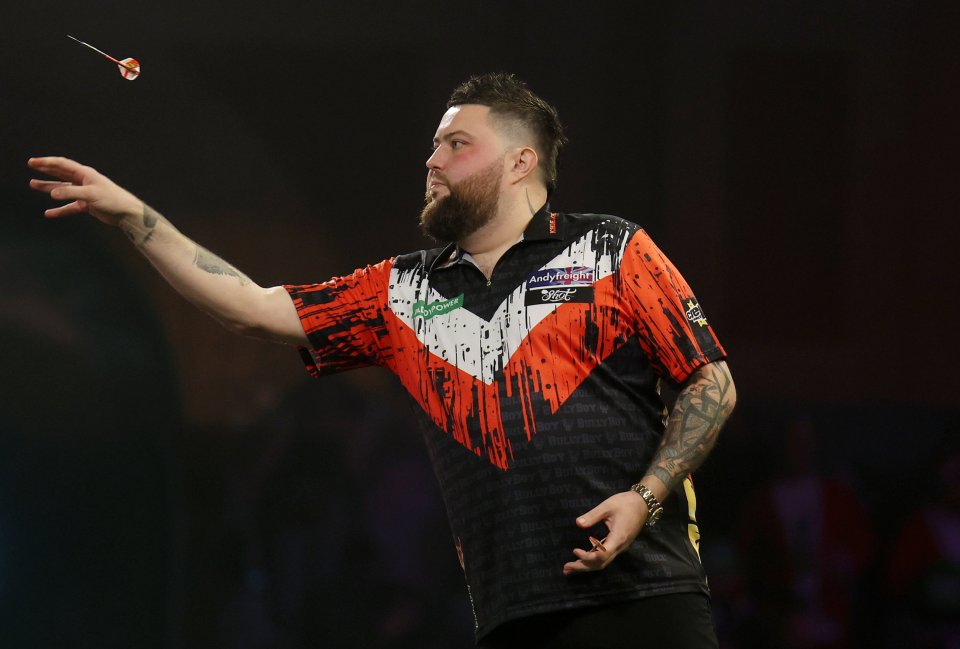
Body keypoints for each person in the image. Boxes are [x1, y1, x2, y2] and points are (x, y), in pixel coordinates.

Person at [29, 72, 736, 648]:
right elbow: (250, 304)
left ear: (521, 162)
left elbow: (712, 380)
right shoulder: (400, 290)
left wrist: (645, 498)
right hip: (512, 614)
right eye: (432, 146)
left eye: (456, 144)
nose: (431, 162)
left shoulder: (612, 248)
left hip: (647, 598)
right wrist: (131, 217)